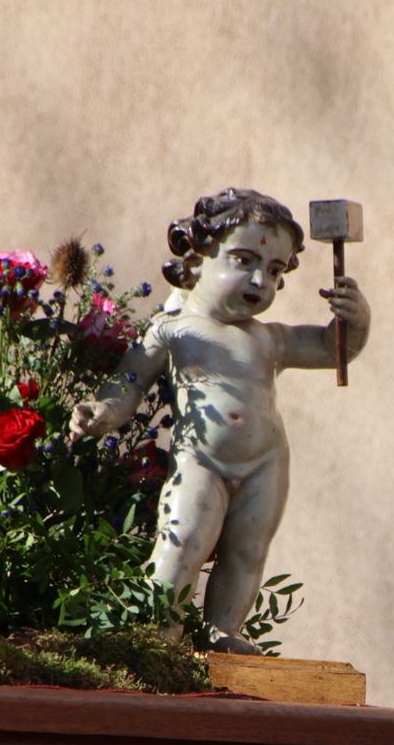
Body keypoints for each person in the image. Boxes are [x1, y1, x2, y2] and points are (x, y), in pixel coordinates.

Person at [71, 188, 370, 653]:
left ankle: (224, 631)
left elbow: (332, 350)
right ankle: (157, 637)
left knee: (247, 552)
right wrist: (104, 411)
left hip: (266, 463)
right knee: (182, 542)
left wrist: (355, 320)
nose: (260, 280)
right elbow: (129, 383)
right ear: (198, 257)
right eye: (244, 261)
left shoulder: (269, 339)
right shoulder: (173, 330)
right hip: (201, 461)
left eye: (274, 270)